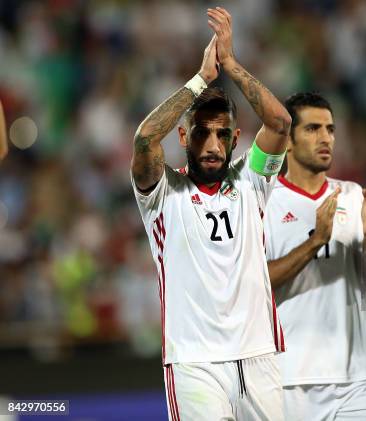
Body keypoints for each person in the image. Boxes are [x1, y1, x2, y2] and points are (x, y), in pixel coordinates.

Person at [130, 7, 291, 420]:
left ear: (236, 138)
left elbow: (280, 121)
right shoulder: (163, 193)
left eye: (222, 134)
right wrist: (201, 79)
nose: (213, 145)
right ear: (183, 135)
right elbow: (146, 138)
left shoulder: (251, 182)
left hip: (259, 355)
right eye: (202, 132)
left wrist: (231, 65)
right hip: (194, 363)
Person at [263, 92, 366, 420]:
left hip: (356, 380)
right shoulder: (265, 203)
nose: (325, 138)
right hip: (290, 382)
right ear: (288, 141)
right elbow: (256, 284)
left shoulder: (351, 195)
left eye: (330, 130)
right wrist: (316, 241)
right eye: (313, 129)